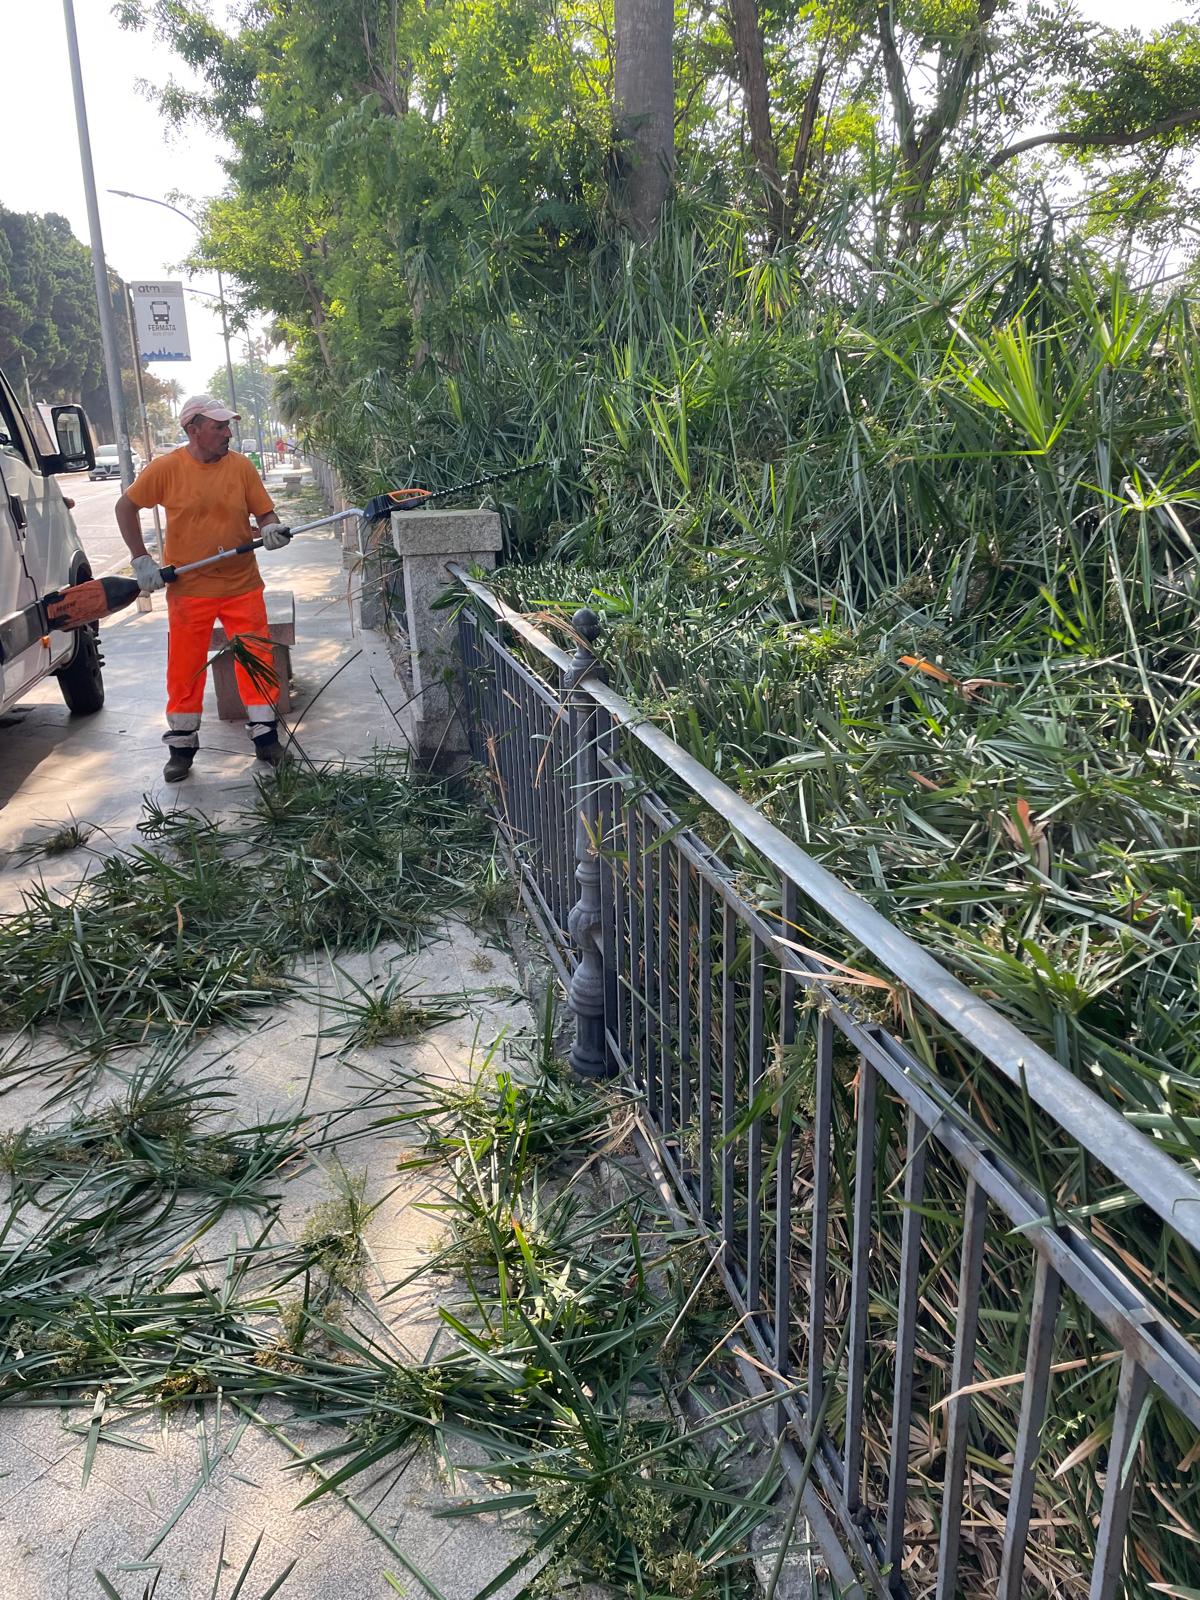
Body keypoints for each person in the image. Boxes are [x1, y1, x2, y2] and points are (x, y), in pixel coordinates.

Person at [115, 394, 292, 783]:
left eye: (227, 426)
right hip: (190, 588)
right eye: (219, 427)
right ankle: (181, 746)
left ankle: (266, 739)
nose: (227, 433)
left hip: (241, 583)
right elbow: (125, 507)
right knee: (186, 668)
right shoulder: (166, 469)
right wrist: (140, 559)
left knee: (256, 659)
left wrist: (270, 529)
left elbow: (264, 511)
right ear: (193, 430)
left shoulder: (241, 467)